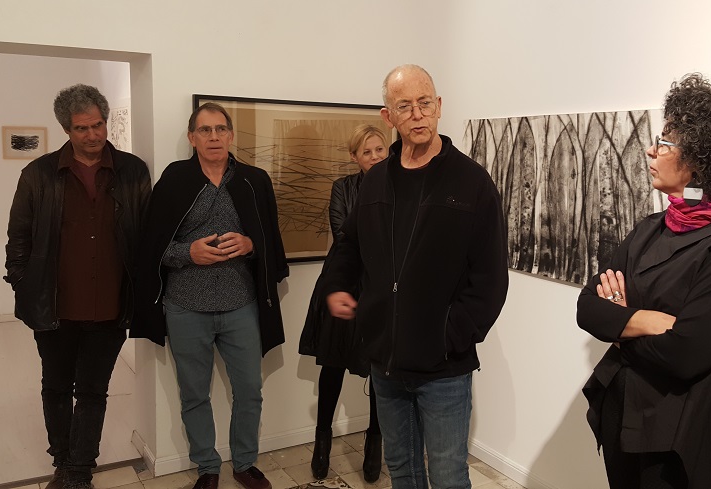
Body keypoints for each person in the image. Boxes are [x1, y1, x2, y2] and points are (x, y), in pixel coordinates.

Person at [576, 73, 711, 489]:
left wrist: (621, 324)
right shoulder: (654, 227)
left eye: (666, 143)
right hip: (627, 417)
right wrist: (646, 320)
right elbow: (588, 307)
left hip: (692, 438)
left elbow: (686, 353)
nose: (651, 150)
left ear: (702, 159)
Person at [322, 64, 509, 489]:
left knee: (447, 476)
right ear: (388, 116)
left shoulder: (472, 182)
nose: (418, 114)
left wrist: (449, 336)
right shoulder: (376, 182)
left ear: (439, 106)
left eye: (425, 103)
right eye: (405, 106)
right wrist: (336, 286)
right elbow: (349, 245)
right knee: (403, 470)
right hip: (386, 364)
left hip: (443, 367)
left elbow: (491, 279)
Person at [130, 103, 288, 489]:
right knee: (194, 394)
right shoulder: (174, 179)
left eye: (220, 129)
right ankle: (207, 467)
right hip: (185, 307)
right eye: (205, 130)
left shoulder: (253, 180)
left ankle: (245, 463)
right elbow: (151, 247)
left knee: (250, 390)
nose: (213, 137)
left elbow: (270, 239)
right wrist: (188, 252)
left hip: (241, 305)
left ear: (230, 135)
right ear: (192, 137)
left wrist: (251, 244)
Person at [4, 84, 151, 489]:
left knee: (93, 390)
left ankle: (80, 469)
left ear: (106, 121)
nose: (92, 135)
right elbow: (18, 238)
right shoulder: (39, 174)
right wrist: (22, 283)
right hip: (55, 305)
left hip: (111, 304)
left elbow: (145, 235)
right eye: (82, 128)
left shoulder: (133, 171)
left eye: (98, 124)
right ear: (66, 130)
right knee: (55, 386)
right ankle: (62, 461)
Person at [299, 124, 388, 482]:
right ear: (355, 157)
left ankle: (374, 442)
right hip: (344, 285)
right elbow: (343, 236)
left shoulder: (401, 185)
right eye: (367, 152)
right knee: (333, 365)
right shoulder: (343, 188)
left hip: (381, 291)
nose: (375, 157)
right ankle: (322, 441)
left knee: (379, 370)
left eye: (380, 149)